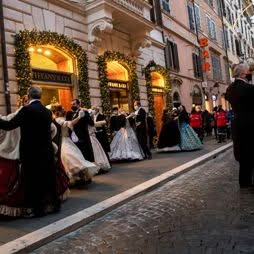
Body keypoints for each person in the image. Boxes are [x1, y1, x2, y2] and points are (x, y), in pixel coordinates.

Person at [0, 87, 60, 217]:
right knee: (48, 178)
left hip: (31, 152)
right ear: (40, 96)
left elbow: (9, 125)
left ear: (29, 95)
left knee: (33, 181)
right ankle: (54, 205)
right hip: (47, 151)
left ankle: (37, 209)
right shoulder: (47, 111)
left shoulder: (27, 110)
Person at [53, 105, 99, 186]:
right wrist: (79, 117)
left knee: (77, 159)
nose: (64, 110)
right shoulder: (58, 120)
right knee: (71, 160)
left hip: (68, 140)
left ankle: (81, 178)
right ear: (58, 112)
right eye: (62, 109)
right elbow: (69, 123)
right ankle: (75, 179)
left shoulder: (63, 118)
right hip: (63, 142)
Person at [225, 63, 254, 188]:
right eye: (248, 71)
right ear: (243, 73)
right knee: (251, 151)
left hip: (237, 123)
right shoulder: (249, 88)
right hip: (250, 123)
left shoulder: (229, 89)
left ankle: (244, 181)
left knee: (242, 152)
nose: (249, 73)